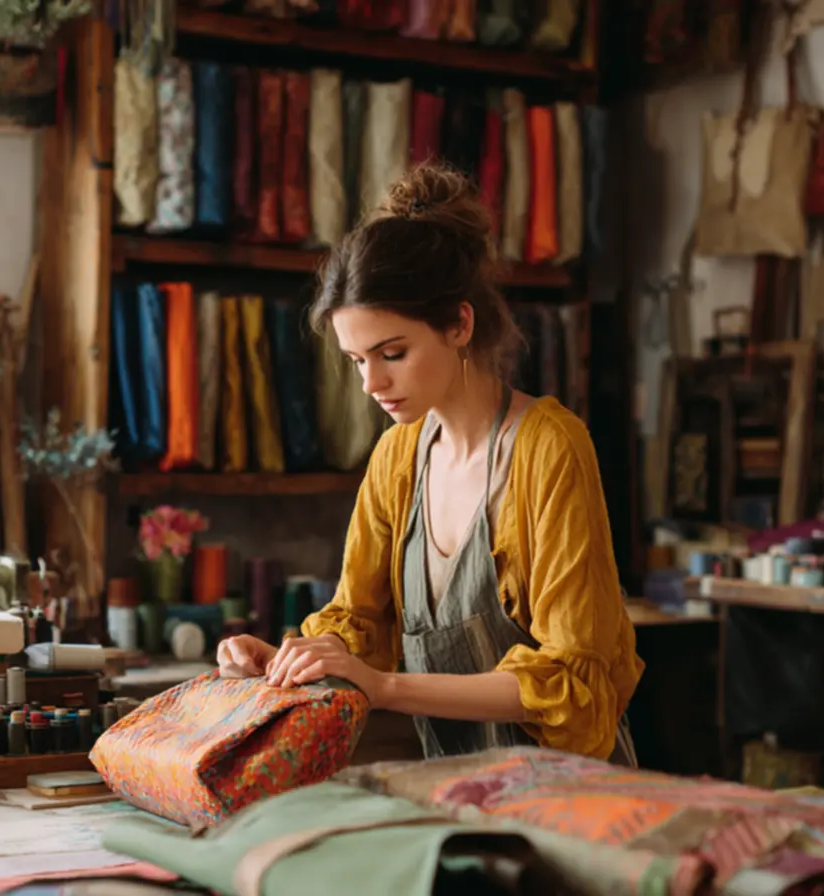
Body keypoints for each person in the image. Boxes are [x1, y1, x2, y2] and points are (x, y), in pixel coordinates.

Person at [216, 163, 645, 764]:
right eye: (357, 360)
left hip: (570, 800)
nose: (372, 383)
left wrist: (387, 687)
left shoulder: (548, 448)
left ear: (459, 324)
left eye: (392, 353)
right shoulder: (398, 456)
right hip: (457, 793)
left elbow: (573, 677)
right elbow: (357, 620)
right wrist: (294, 657)